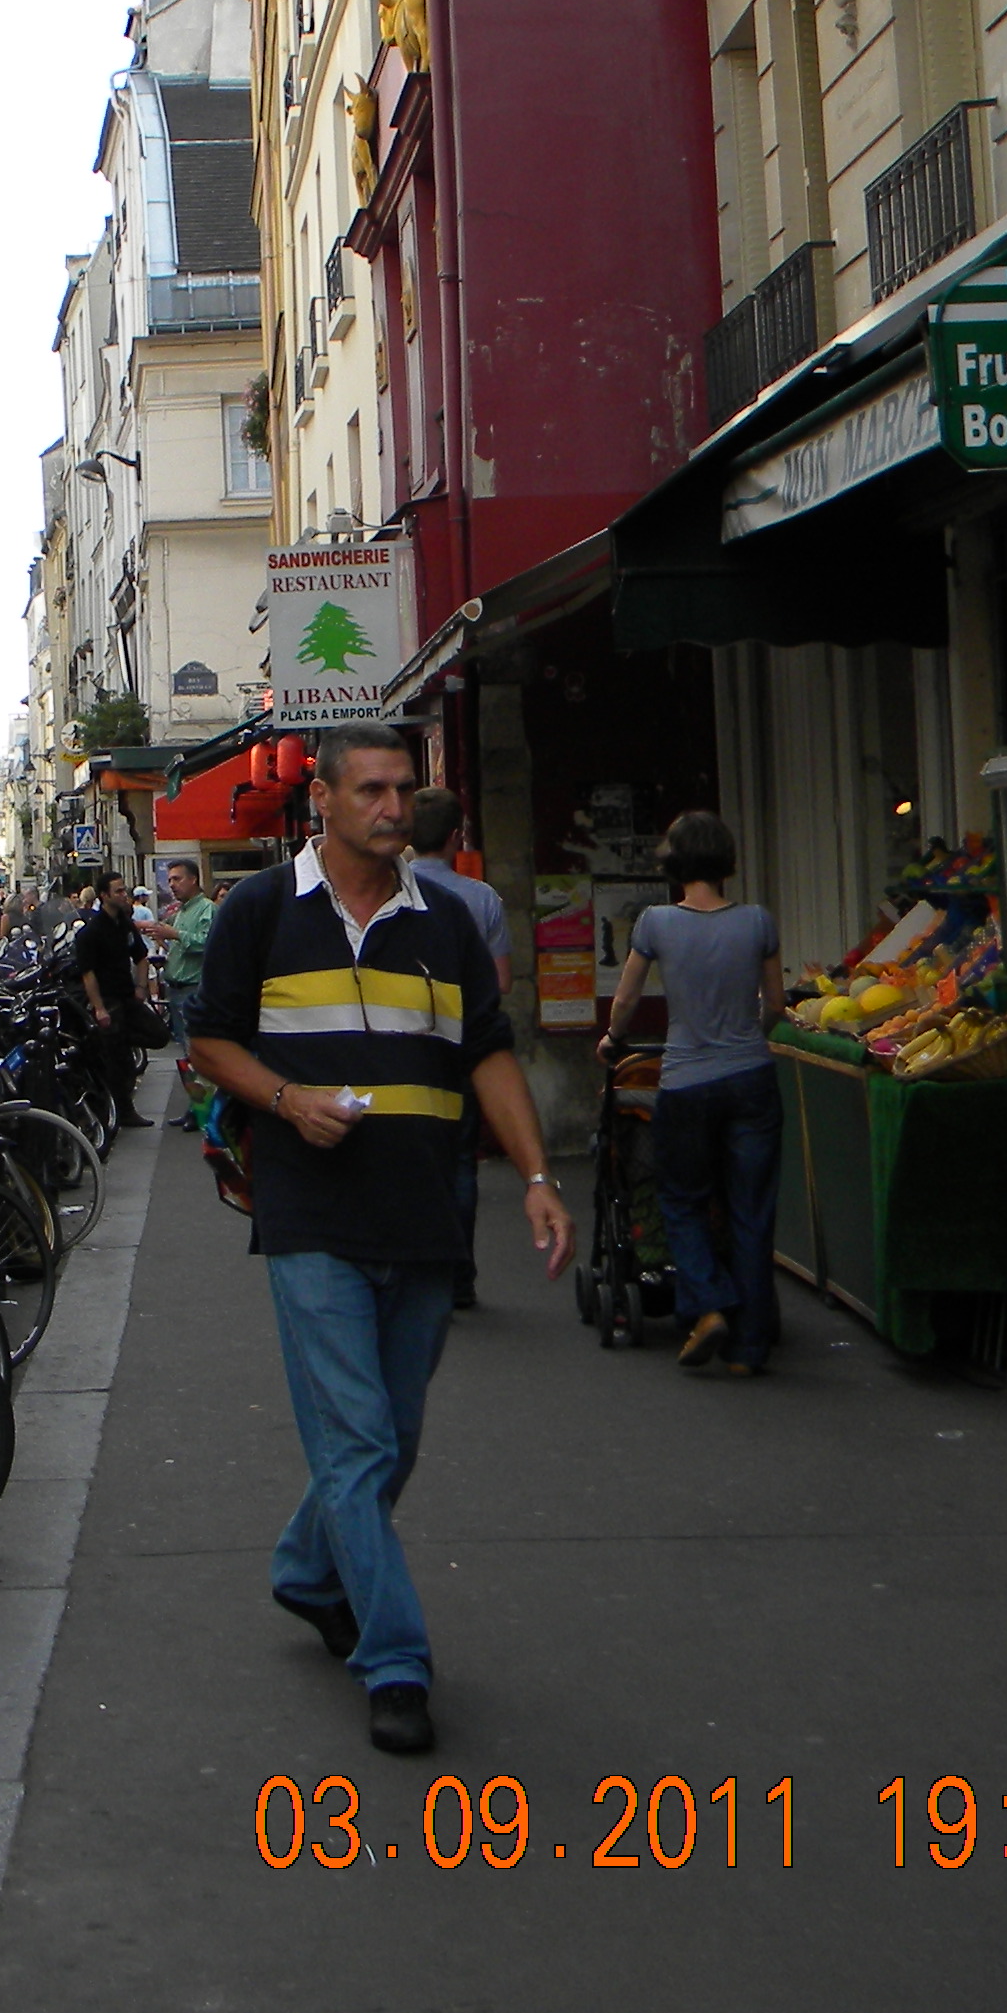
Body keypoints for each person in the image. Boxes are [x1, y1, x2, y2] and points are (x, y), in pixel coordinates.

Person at [184, 722, 571, 1757]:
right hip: (310, 1216)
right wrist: (285, 1098)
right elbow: (210, 1039)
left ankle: (308, 1572)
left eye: (405, 790)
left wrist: (536, 1176)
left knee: (390, 1440)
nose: (395, 808)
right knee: (356, 1440)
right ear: (325, 800)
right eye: (373, 791)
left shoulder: (443, 922)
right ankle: (395, 1660)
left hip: (424, 1215)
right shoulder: (260, 911)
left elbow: (487, 1053)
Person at [600, 809, 787, 1376]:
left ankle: (707, 1303)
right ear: (727, 860)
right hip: (751, 1079)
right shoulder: (758, 921)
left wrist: (613, 1039)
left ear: (674, 862)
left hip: (684, 1081)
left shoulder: (655, 923)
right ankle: (749, 1350)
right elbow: (775, 1006)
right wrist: (750, 1040)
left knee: (680, 1199)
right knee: (749, 1212)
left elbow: (628, 999)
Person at [404, 788, 515, 1308]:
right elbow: (501, 983)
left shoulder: (383, 891)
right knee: (460, 1162)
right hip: (463, 1043)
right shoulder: (482, 898)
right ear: (456, 838)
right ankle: (459, 1275)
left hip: (398, 1041)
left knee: (402, 1154)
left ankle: (410, 1266)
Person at [70, 876, 153, 1129]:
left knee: (157, 1034)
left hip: (127, 996)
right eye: (118, 891)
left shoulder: (125, 925)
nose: (123, 894)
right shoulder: (91, 932)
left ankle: (122, 1102)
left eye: (124, 890)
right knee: (117, 1061)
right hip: (108, 999)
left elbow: (141, 957)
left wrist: (141, 987)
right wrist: (99, 1007)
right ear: (104, 896)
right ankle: (122, 1110)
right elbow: (88, 973)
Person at [158, 858, 218, 1129]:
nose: (172, 885)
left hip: (194, 991)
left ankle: (205, 1111)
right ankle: (196, 1106)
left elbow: (208, 943)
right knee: (186, 1052)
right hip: (177, 989)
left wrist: (176, 934)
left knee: (196, 1053)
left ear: (194, 879)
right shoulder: (181, 910)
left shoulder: (206, 909)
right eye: (170, 880)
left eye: (177, 879)